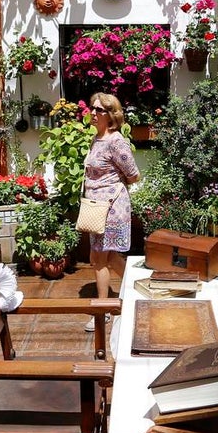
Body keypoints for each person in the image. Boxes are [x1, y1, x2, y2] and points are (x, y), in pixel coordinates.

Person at [82, 93, 139, 325]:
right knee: (108, 255)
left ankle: (103, 310)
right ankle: (134, 289)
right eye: (92, 109)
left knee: (99, 258)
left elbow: (134, 174)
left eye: (99, 110)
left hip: (112, 207)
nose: (93, 113)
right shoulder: (97, 139)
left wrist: (107, 188)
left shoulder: (116, 142)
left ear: (111, 115)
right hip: (96, 207)